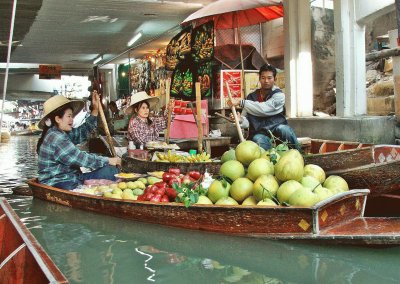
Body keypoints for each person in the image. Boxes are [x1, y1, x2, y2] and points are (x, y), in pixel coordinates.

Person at [36, 92, 121, 190]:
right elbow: (81, 158)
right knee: (110, 172)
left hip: (70, 177)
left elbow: (83, 132)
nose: (72, 120)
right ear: (58, 119)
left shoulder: (59, 132)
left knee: (109, 171)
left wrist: (95, 109)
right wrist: (110, 160)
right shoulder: (56, 137)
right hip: (59, 182)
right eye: (69, 116)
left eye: (72, 116)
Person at [227, 64, 300, 151]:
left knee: (284, 129)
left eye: (269, 78)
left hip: (277, 129)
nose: (266, 81)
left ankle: (298, 154)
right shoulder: (251, 97)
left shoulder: (279, 95)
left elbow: (264, 109)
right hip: (260, 132)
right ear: (259, 79)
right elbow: (247, 122)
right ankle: (268, 160)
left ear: (275, 79)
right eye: (263, 78)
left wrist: (241, 102)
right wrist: (240, 120)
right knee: (258, 139)